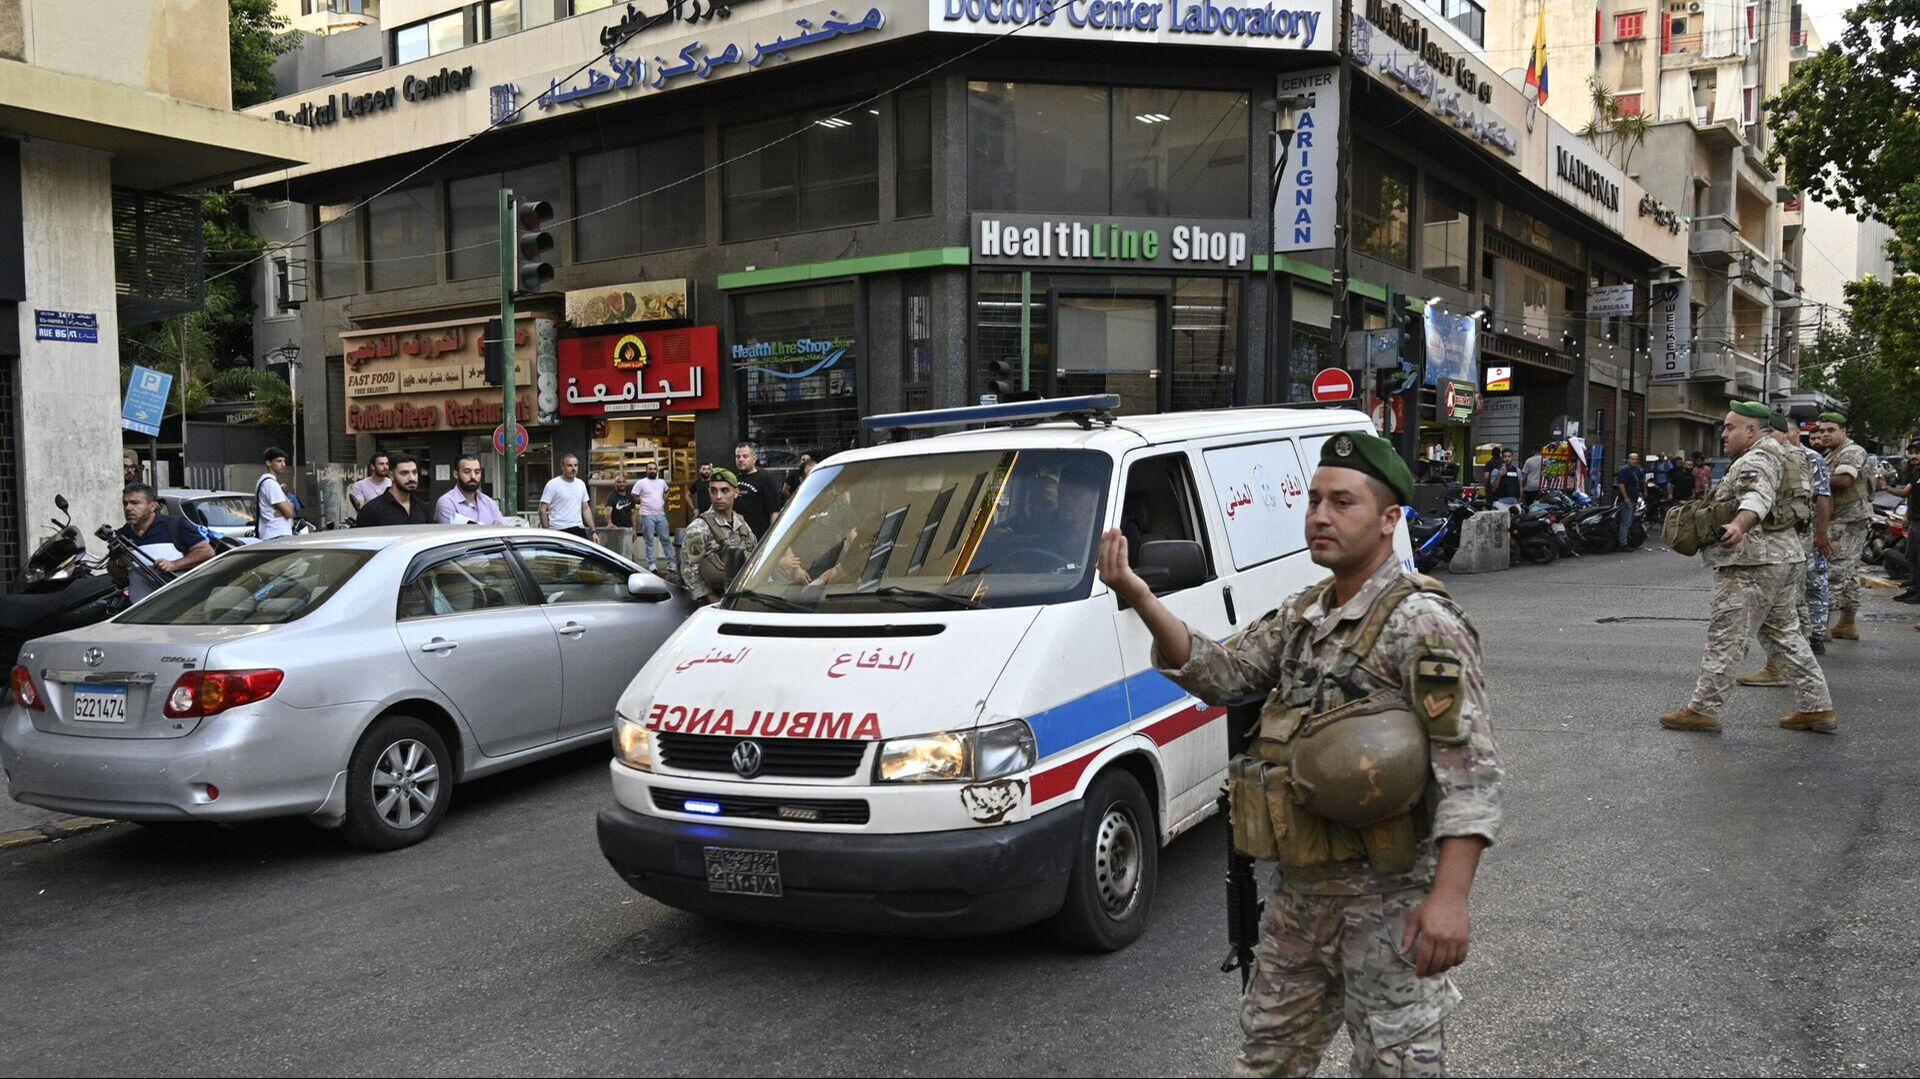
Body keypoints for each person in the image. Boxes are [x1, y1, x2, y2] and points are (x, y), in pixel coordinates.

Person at [1099, 429, 1502, 1077]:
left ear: (1389, 519)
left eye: (1343, 502)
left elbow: (1471, 771)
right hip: (1301, 900)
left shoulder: (1423, 623)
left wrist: (1450, 898)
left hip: (1389, 902)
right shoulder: (1304, 614)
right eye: (1314, 499)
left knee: (1398, 1068)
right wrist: (1140, 595)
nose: (1319, 514)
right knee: (1266, 1063)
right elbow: (1225, 673)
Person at [1660, 402, 1834, 734]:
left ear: (1751, 431)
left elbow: (1758, 496)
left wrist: (1739, 525)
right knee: (1785, 635)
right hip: (1785, 558)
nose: (1723, 434)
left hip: (1752, 561)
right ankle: (1817, 707)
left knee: (1727, 635)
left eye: (1730, 427)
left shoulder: (1758, 459)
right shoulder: (1792, 455)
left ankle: (1702, 709)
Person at [1740, 413, 1832, 683]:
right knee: (1788, 604)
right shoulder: (1781, 456)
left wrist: (1822, 534)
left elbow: (1822, 497)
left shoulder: (1804, 457)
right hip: (1785, 538)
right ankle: (1791, 669)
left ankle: (1787, 667)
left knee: (1788, 604)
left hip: (1791, 539)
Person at [1814, 412, 1871, 640]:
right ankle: (1847, 623)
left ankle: (1820, 628)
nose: (1825, 435)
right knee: (1848, 575)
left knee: (1834, 574)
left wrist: (1810, 479)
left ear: (1843, 431)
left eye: (1831, 430)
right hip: (1841, 520)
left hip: (1848, 522)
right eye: (1822, 431)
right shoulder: (1832, 454)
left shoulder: (1852, 451)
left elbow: (1844, 480)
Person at [113, 483, 214, 603]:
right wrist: (119, 564)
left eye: (135, 503)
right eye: (125, 503)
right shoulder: (122, 534)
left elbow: (207, 552)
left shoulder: (174, 525)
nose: (128, 508)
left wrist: (174, 564)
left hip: (179, 606)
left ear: (152, 506)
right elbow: (114, 571)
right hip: (139, 609)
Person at [680, 468, 757, 604]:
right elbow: (689, 571)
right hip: (714, 604)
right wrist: (713, 601)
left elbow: (755, 555)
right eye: (713, 491)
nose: (718, 496)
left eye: (724, 490)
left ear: (736, 492)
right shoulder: (699, 527)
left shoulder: (742, 524)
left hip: (744, 599)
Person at [1881, 440, 1920, 604]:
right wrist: (1906, 516)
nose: (1913, 456)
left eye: (1917, 453)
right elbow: (1910, 495)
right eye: (1911, 453)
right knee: (1912, 557)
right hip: (1914, 520)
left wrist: (1886, 488)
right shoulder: (1915, 472)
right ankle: (1913, 589)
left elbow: (1904, 492)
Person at [356, 452, 432, 526]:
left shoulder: (423, 507)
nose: (411, 478)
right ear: (391, 475)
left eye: (414, 472)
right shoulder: (372, 510)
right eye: (404, 473)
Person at [732, 441, 785, 537]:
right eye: (738, 456)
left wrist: (772, 537)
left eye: (745, 456)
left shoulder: (765, 479)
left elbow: (774, 511)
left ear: (754, 458)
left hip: (759, 537)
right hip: (738, 538)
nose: (741, 459)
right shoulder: (733, 480)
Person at [433, 455, 505, 525]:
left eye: (477, 472)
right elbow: (453, 535)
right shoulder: (447, 502)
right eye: (467, 472)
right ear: (456, 474)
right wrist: (491, 529)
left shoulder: (488, 502)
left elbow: (502, 530)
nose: (473, 476)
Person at [539, 453, 595, 539]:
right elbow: (542, 510)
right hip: (559, 529)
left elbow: (586, 508)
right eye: (569, 465)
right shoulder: (553, 484)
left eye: (575, 465)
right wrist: (547, 532)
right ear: (562, 467)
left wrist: (593, 531)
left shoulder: (581, 484)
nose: (573, 468)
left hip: (578, 528)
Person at [634, 461, 673, 571]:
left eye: (654, 469)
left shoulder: (662, 482)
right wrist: (642, 501)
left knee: (665, 539)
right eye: (650, 469)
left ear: (657, 470)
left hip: (660, 514)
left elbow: (667, 491)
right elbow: (634, 494)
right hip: (647, 515)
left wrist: (662, 500)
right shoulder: (641, 482)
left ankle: (671, 563)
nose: (652, 471)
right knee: (649, 540)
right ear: (646, 470)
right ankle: (652, 564)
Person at [255, 447, 297, 539]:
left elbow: (289, 510)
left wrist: (286, 508)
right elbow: (290, 512)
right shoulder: (270, 483)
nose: (283, 464)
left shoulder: (266, 482)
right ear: (268, 463)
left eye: (284, 461)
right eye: (279, 461)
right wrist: (288, 507)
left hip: (274, 533)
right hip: (277, 533)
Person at [1613, 452, 1644, 550]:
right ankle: (1623, 544)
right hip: (1626, 500)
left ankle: (1626, 540)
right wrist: (1626, 499)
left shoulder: (1638, 470)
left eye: (1636, 459)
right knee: (1625, 522)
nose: (1634, 461)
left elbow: (1638, 484)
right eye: (1632, 459)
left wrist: (1639, 497)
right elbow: (1621, 485)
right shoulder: (1624, 471)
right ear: (1628, 460)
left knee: (1630, 521)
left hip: (1634, 499)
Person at [604, 475, 637, 559]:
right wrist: (610, 523)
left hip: (628, 529)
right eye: (618, 482)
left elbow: (633, 514)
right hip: (616, 529)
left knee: (628, 552)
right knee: (616, 554)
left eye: (623, 482)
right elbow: (608, 512)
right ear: (615, 484)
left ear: (626, 483)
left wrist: (634, 529)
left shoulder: (630, 497)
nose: (621, 484)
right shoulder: (612, 496)